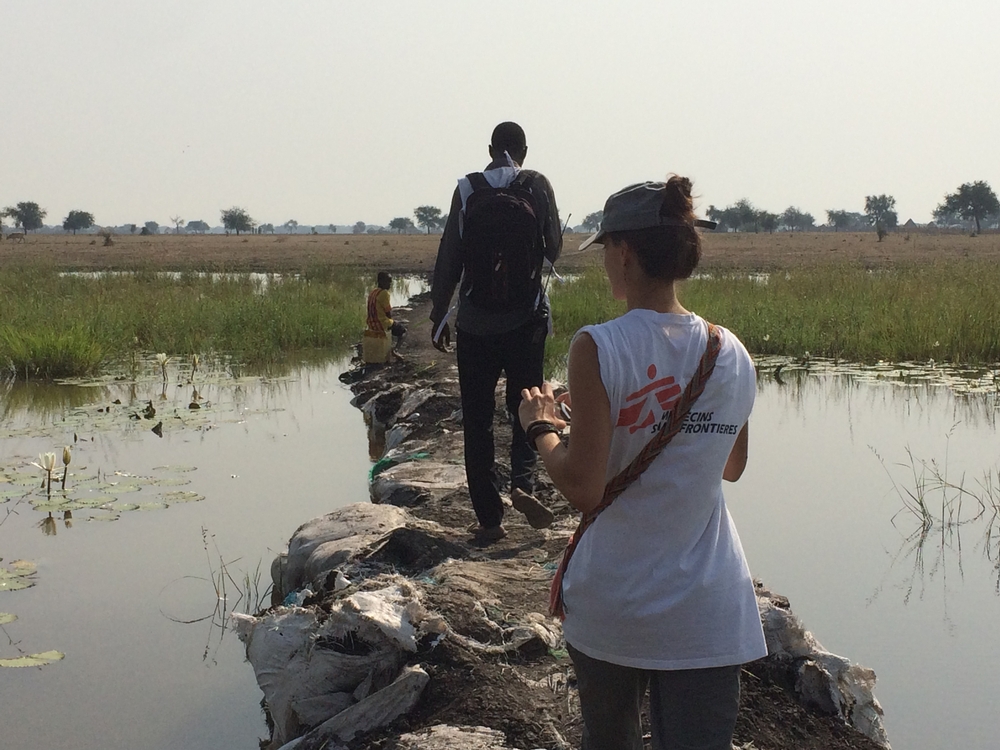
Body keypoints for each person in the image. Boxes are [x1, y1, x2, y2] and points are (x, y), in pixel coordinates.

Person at [518, 176, 766, 750]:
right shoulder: (729, 351)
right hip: (708, 605)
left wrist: (544, 428)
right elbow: (730, 464)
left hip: (617, 603)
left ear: (624, 253)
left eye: (606, 250)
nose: (606, 263)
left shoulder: (599, 346)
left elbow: (583, 487)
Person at [430, 121, 562, 541]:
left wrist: (439, 315)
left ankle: (489, 519)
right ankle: (523, 484)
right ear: (525, 149)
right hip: (526, 321)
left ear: (489, 148)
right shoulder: (538, 185)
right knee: (526, 405)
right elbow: (554, 246)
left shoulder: (467, 189)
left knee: (478, 420)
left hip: (474, 324)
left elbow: (449, 256)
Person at [362, 271, 405, 364]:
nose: (389, 284)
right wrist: (392, 321)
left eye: (390, 282)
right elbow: (388, 313)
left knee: (392, 326)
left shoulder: (372, 292)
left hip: (371, 324)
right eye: (388, 281)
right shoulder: (384, 293)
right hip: (382, 323)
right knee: (402, 332)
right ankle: (395, 351)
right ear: (381, 281)